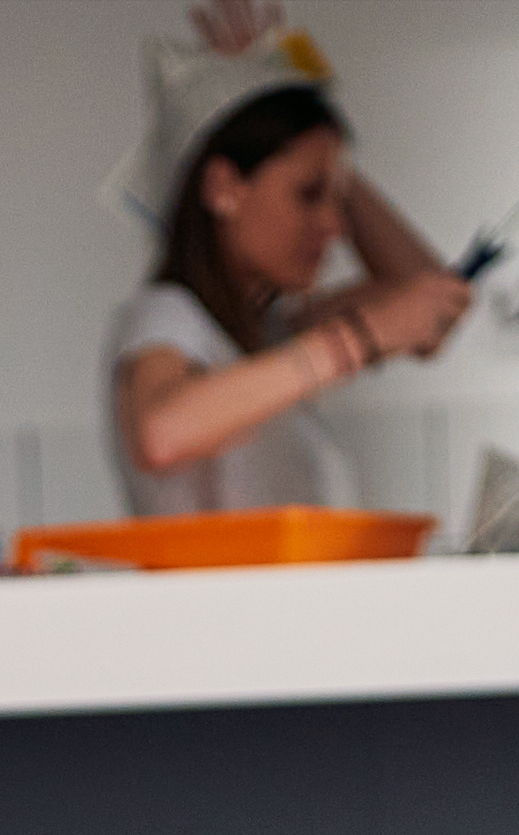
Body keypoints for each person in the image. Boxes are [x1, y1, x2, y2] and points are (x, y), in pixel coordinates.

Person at [104, 11, 474, 519]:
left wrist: (300, 120)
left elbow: (428, 299)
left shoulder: (267, 331)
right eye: (308, 194)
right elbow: (163, 434)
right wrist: (355, 341)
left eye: (335, 199)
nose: (334, 226)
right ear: (223, 188)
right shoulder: (166, 317)